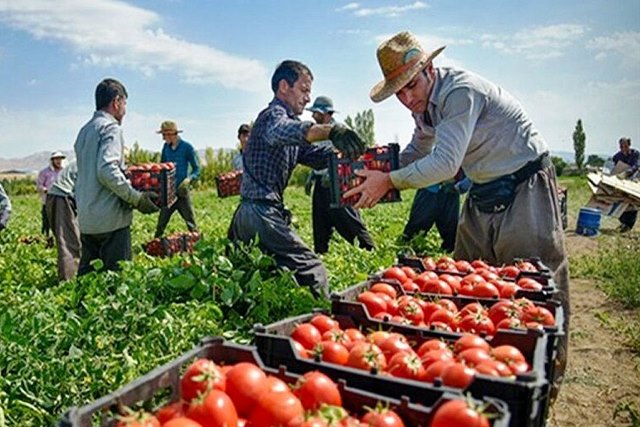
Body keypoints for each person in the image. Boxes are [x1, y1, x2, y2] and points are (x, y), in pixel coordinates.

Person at [345, 31, 569, 395]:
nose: (407, 97)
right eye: (398, 92)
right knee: (469, 282)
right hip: (484, 188)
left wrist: (390, 181)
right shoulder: (425, 109)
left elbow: (446, 164)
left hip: (525, 180)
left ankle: (546, 381)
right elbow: (418, 152)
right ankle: (479, 373)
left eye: (411, 85)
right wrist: (376, 171)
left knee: (536, 284)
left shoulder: (458, 93)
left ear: (429, 69)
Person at [227, 60, 366, 298]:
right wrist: (331, 131)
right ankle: (321, 320)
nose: (307, 99)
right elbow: (284, 130)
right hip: (261, 214)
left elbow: (313, 155)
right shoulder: (272, 116)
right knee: (312, 269)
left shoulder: (288, 125)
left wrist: (346, 154)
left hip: (251, 213)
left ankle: (260, 324)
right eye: (303, 90)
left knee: (256, 275)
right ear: (284, 87)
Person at [74, 78, 159, 275]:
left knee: (88, 286)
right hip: (111, 221)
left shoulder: (85, 131)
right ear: (117, 101)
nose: (125, 110)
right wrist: (136, 198)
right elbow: (106, 170)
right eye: (125, 104)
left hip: (88, 220)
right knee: (117, 287)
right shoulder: (110, 128)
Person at [304, 96, 375, 254]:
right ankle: (321, 254)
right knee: (320, 220)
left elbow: (353, 154)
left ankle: (369, 249)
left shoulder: (339, 131)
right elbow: (316, 156)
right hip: (321, 183)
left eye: (316, 113)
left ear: (327, 114)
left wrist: (333, 172)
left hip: (339, 183)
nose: (313, 116)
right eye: (314, 113)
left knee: (348, 219)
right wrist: (312, 175)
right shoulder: (317, 131)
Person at [402, 170, 471, 252]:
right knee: (419, 223)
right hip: (430, 188)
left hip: (452, 189)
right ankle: (407, 247)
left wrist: (461, 186)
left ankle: (450, 248)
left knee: (451, 228)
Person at [154, 120, 201, 238]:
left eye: (164, 135)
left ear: (171, 134)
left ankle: (198, 245)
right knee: (161, 224)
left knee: (191, 223)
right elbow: (162, 167)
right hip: (169, 194)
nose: (163, 138)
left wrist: (189, 179)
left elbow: (197, 169)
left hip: (182, 193)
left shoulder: (187, 148)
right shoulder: (166, 148)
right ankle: (153, 247)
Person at [46, 160, 81, 281]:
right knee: (68, 242)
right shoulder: (99, 161)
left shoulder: (89, 156)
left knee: (72, 238)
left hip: (61, 196)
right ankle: (68, 284)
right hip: (62, 197)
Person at [612, 137, 638, 232]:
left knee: (632, 203)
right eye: (621, 146)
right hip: (621, 182)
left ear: (629, 145)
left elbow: (637, 165)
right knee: (620, 202)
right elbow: (612, 167)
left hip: (633, 181)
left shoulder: (635, 154)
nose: (623, 148)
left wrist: (628, 171)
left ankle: (629, 225)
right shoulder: (617, 156)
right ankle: (623, 222)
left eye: (625, 146)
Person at [36, 151, 65, 236]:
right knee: (47, 222)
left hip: (61, 201)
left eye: (60, 159)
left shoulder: (63, 171)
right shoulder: (44, 172)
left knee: (60, 222)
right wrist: (46, 190)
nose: (58, 161)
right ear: (52, 160)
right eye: (56, 159)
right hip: (48, 201)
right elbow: (39, 186)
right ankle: (46, 239)